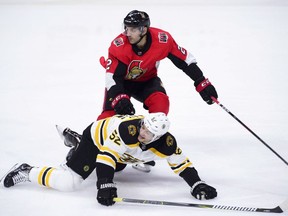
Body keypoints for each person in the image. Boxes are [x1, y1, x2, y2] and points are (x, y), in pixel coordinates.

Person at [1, 113, 217, 206]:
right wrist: (105, 183)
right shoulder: (128, 130)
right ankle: (25, 170)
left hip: (125, 152)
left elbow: (182, 164)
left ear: (158, 137)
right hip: (97, 140)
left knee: (120, 168)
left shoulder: (166, 144)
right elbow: (106, 156)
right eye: (143, 126)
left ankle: (75, 145)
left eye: (148, 132)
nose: (142, 132)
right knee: (70, 183)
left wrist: (197, 183)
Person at [97, 10, 218, 120]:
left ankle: (150, 134)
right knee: (107, 119)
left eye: (132, 30)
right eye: (126, 28)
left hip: (147, 81)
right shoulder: (119, 46)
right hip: (122, 83)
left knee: (161, 104)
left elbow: (185, 61)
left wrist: (201, 82)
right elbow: (112, 78)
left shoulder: (162, 40)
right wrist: (119, 97)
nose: (127, 33)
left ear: (143, 30)